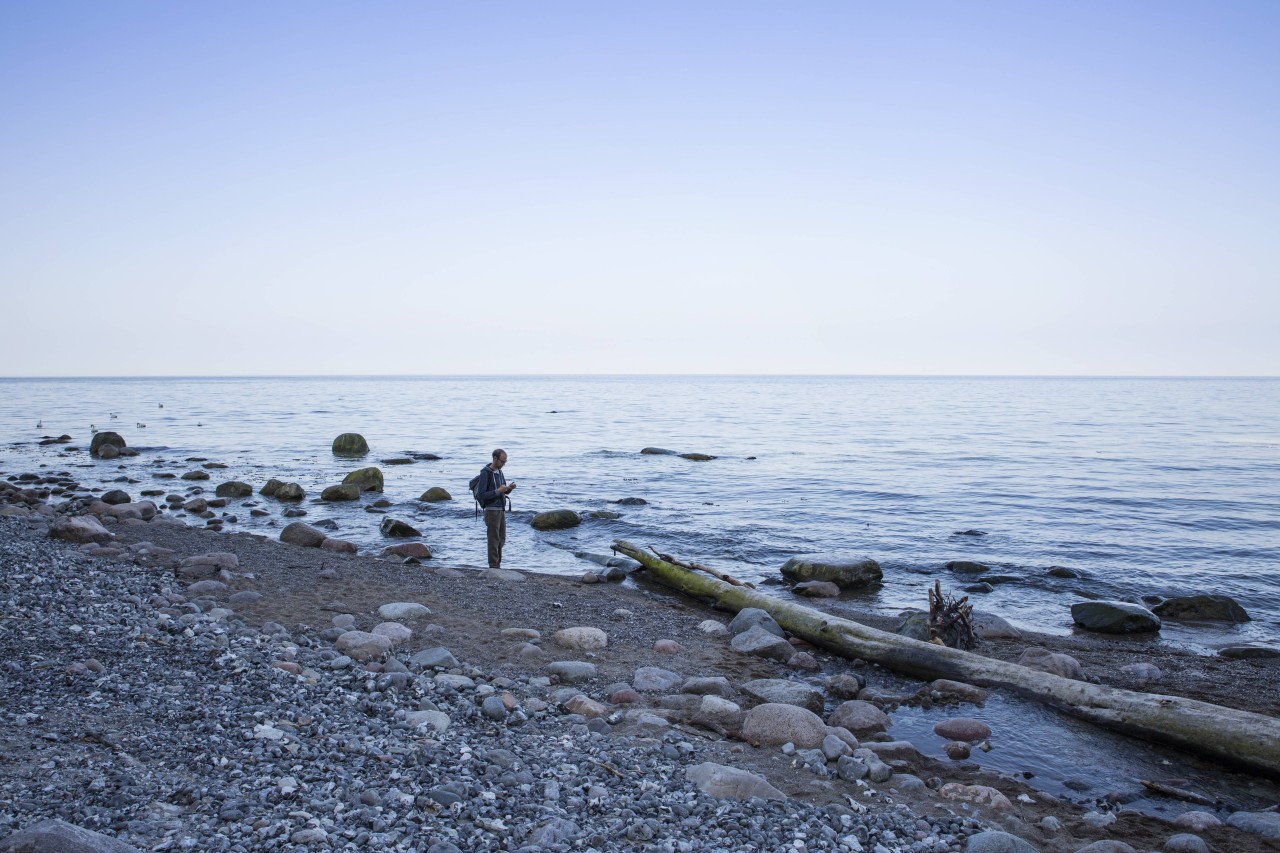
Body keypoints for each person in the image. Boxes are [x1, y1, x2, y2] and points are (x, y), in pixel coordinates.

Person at [475, 448, 516, 568]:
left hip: (501, 509)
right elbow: (481, 495)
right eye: (502, 461)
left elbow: (502, 491)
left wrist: (509, 489)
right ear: (494, 458)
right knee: (493, 539)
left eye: (505, 462)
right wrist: (498, 491)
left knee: (501, 538)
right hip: (491, 510)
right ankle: (493, 565)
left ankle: (498, 563)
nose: (503, 464)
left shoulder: (500, 472)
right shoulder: (485, 473)